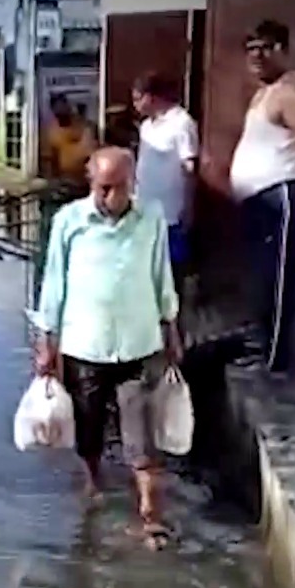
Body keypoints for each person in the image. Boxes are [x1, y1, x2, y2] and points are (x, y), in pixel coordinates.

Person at [33, 147, 184, 550]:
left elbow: (161, 277)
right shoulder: (69, 222)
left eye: (116, 188)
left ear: (132, 185)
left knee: (142, 436)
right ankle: (93, 481)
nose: (107, 197)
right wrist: (46, 343)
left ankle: (151, 517)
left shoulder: (150, 219)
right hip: (86, 345)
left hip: (139, 344)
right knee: (89, 428)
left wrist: (172, 329)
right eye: (101, 188)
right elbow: (53, 285)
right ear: (91, 183)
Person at [229, 19, 295, 373]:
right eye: (251, 49)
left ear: (283, 50)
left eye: (266, 48)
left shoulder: (289, 91)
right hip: (256, 198)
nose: (257, 56)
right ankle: (260, 347)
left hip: (281, 193)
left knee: (278, 276)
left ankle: (275, 359)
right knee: (258, 275)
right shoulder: (262, 94)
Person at [131, 71, 199, 275]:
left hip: (170, 213)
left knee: (171, 272)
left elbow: (190, 168)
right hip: (144, 210)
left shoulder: (181, 123)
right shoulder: (145, 127)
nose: (135, 105)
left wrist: (188, 207)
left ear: (152, 96)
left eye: (137, 99)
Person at [41, 94, 97, 186]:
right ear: (53, 111)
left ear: (67, 106)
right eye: (57, 110)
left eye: (62, 107)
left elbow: (91, 149)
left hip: (86, 179)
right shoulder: (51, 131)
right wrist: (52, 181)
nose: (60, 110)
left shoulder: (83, 124)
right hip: (65, 181)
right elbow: (48, 160)